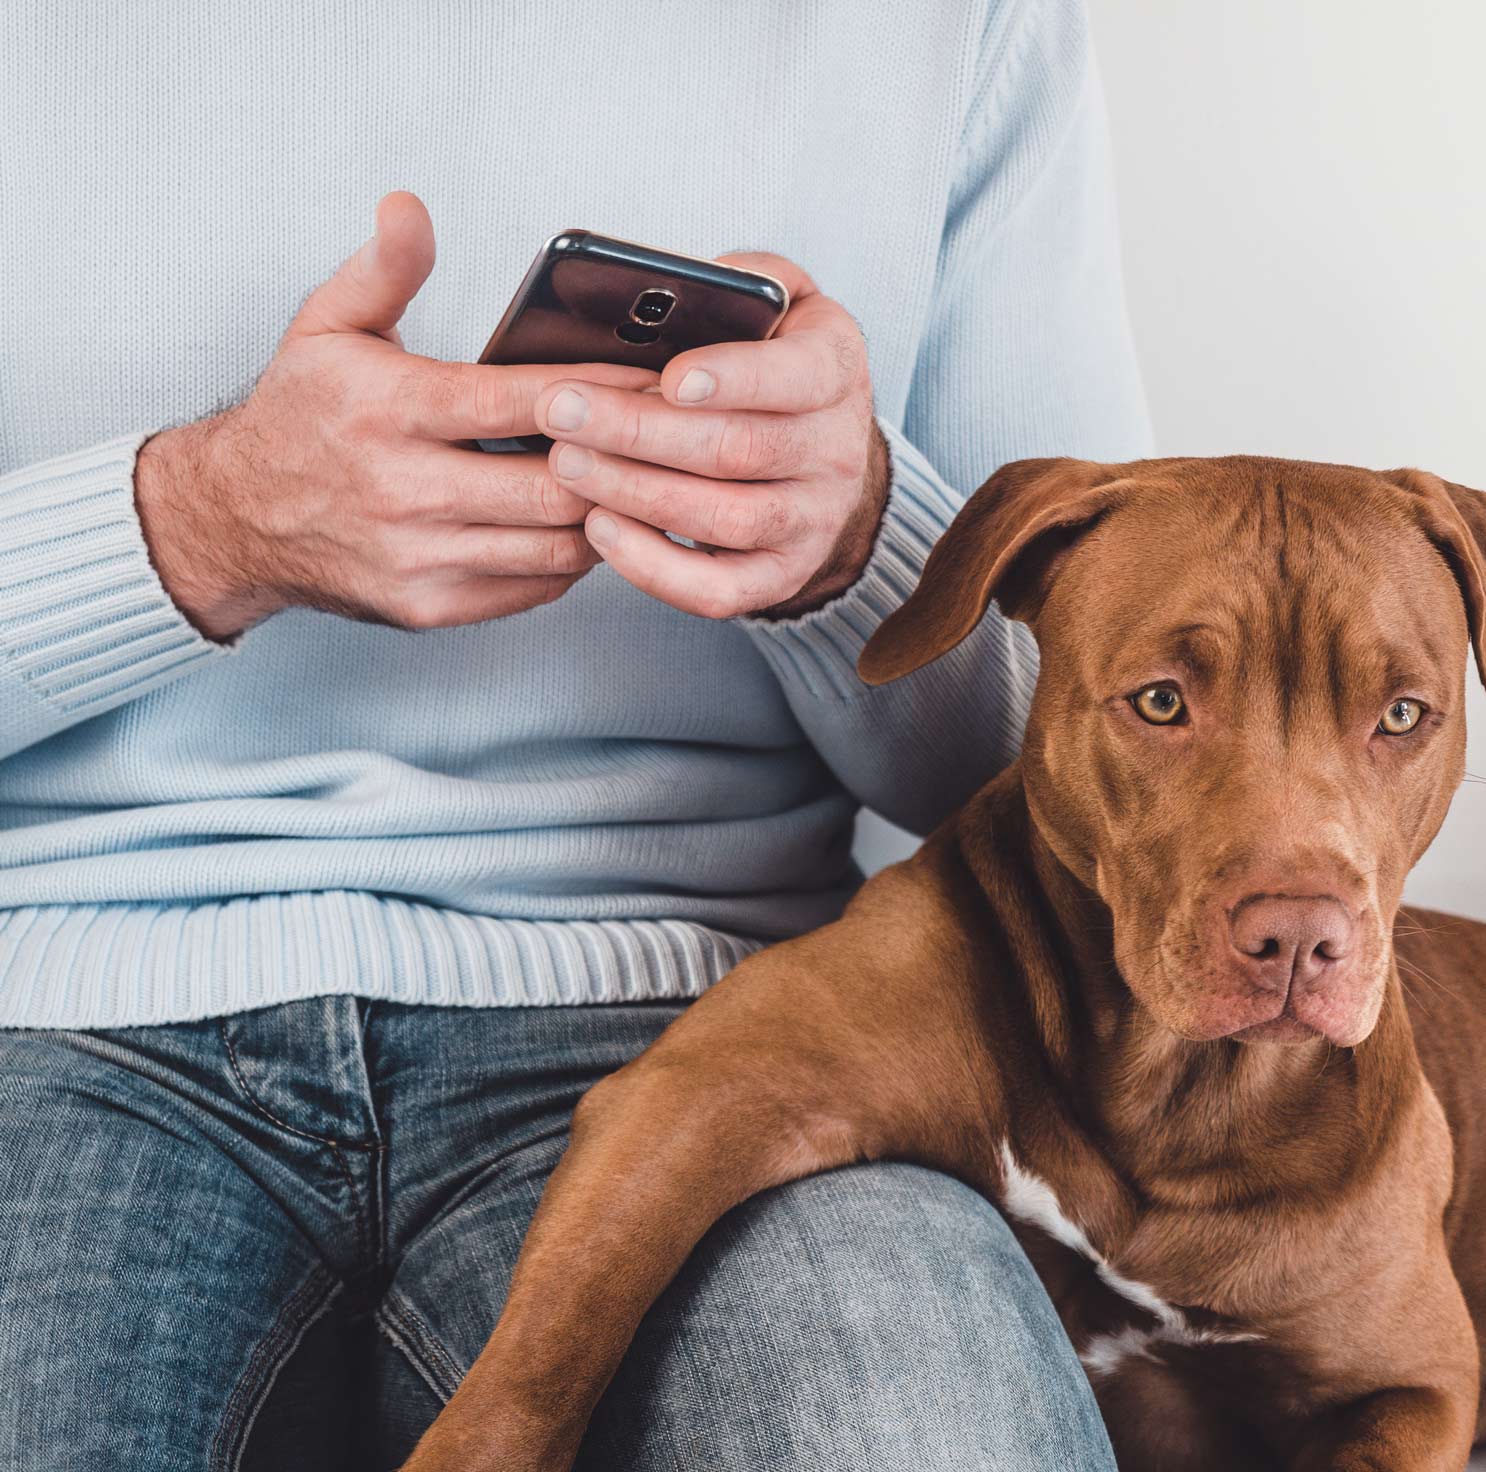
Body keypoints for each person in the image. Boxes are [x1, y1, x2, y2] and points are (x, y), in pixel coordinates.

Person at [0, 2, 1151, 1467]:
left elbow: (1065, 770)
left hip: (725, 1025)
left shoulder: (962, 29)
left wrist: (858, 540)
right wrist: (195, 525)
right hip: (51, 1011)